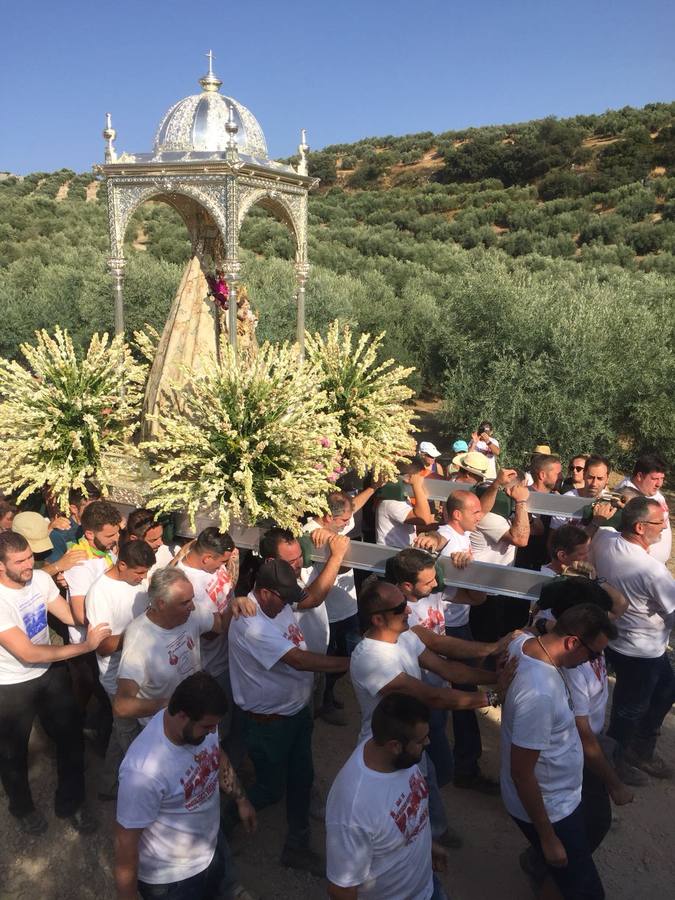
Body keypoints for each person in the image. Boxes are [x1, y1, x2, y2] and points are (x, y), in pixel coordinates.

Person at [228, 559, 350, 875]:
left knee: (301, 778)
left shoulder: (276, 605)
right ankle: (218, 828)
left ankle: (297, 846)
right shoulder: (250, 623)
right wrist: (352, 663)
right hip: (268, 723)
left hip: (295, 713)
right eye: (283, 597)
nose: (288, 603)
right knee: (270, 788)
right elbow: (296, 660)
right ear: (265, 592)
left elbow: (307, 601)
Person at [501, 603, 616, 900]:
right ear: (572, 642)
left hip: (560, 798)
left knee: (567, 878)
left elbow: (530, 630)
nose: (594, 661)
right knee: (587, 892)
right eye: (593, 654)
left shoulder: (523, 644)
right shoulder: (539, 693)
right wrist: (548, 837)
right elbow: (522, 773)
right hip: (552, 809)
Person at [0, 531, 111, 835]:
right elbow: (27, 651)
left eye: (29, 557)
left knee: (71, 737)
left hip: (48, 673)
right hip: (10, 685)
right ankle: (22, 807)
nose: (29, 564)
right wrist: (84, 647)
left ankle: (71, 804)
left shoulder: (39, 579)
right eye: (20, 561)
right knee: (12, 752)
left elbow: (67, 615)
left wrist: (105, 618)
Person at [114, 672, 256, 900]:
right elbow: (125, 846)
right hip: (172, 881)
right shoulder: (142, 772)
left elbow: (217, 756)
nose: (212, 731)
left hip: (210, 845)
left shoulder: (202, 727)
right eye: (208, 726)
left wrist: (241, 798)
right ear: (181, 715)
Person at [384, 547, 512, 792]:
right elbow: (437, 643)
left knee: (435, 762)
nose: (436, 583)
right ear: (407, 586)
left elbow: (477, 598)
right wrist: (492, 649)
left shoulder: (430, 591)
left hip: (437, 682)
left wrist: (465, 570)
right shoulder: (400, 614)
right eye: (429, 580)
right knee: (436, 768)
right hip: (420, 697)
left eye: (436, 577)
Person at [326, 693, 448, 900]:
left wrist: (425, 844)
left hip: (427, 887)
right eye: (420, 740)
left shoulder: (399, 758)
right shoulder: (353, 808)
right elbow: (341, 889)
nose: (427, 742)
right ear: (395, 746)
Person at [591, 497, 675, 780]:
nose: (665, 526)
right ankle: (615, 763)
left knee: (665, 689)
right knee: (629, 709)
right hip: (642, 650)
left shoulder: (603, 539)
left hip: (616, 638)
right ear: (640, 527)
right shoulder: (652, 571)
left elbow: (599, 530)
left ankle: (640, 746)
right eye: (659, 521)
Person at [113, 567, 225, 731]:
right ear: (161, 604)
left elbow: (220, 625)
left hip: (194, 719)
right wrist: (172, 703)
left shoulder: (190, 613)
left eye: (191, 599)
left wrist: (238, 605)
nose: (192, 607)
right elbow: (121, 706)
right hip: (162, 728)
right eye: (185, 603)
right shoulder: (139, 639)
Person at [85, 539, 155, 799]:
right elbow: (101, 647)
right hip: (117, 678)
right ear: (121, 564)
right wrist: (138, 631)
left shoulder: (138, 580)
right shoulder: (100, 593)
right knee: (132, 740)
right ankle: (140, 793)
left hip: (142, 671)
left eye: (146, 572)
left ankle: (107, 785)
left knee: (120, 729)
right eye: (139, 573)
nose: (144, 578)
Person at [301, 490, 373, 725]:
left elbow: (353, 509)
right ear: (326, 516)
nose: (347, 525)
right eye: (342, 521)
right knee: (326, 661)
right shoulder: (310, 535)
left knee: (345, 655)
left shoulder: (337, 525)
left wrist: (373, 487)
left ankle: (327, 696)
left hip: (348, 608)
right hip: (326, 614)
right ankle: (320, 704)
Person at [618, 453, 671, 565]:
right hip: (641, 566)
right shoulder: (626, 497)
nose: (659, 484)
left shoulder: (648, 489)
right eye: (655, 479)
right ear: (640, 476)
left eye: (662, 478)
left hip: (658, 564)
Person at [515, 454, 562, 572]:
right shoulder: (522, 495)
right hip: (521, 560)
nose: (561, 477)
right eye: (557, 473)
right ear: (542, 475)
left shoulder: (556, 498)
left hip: (545, 563)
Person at [375, 458, 434, 549]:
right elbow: (424, 519)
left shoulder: (402, 497)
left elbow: (425, 495)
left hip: (401, 551)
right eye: (420, 477)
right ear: (409, 478)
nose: (422, 480)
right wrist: (416, 486)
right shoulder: (391, 502)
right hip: (392, 554)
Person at [45, 480, 102, 562]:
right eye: (91, 508)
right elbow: (51, 567)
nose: (98, 512)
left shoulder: (101, 527)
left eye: (100, 506)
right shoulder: (61, 533)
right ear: (74, 509)